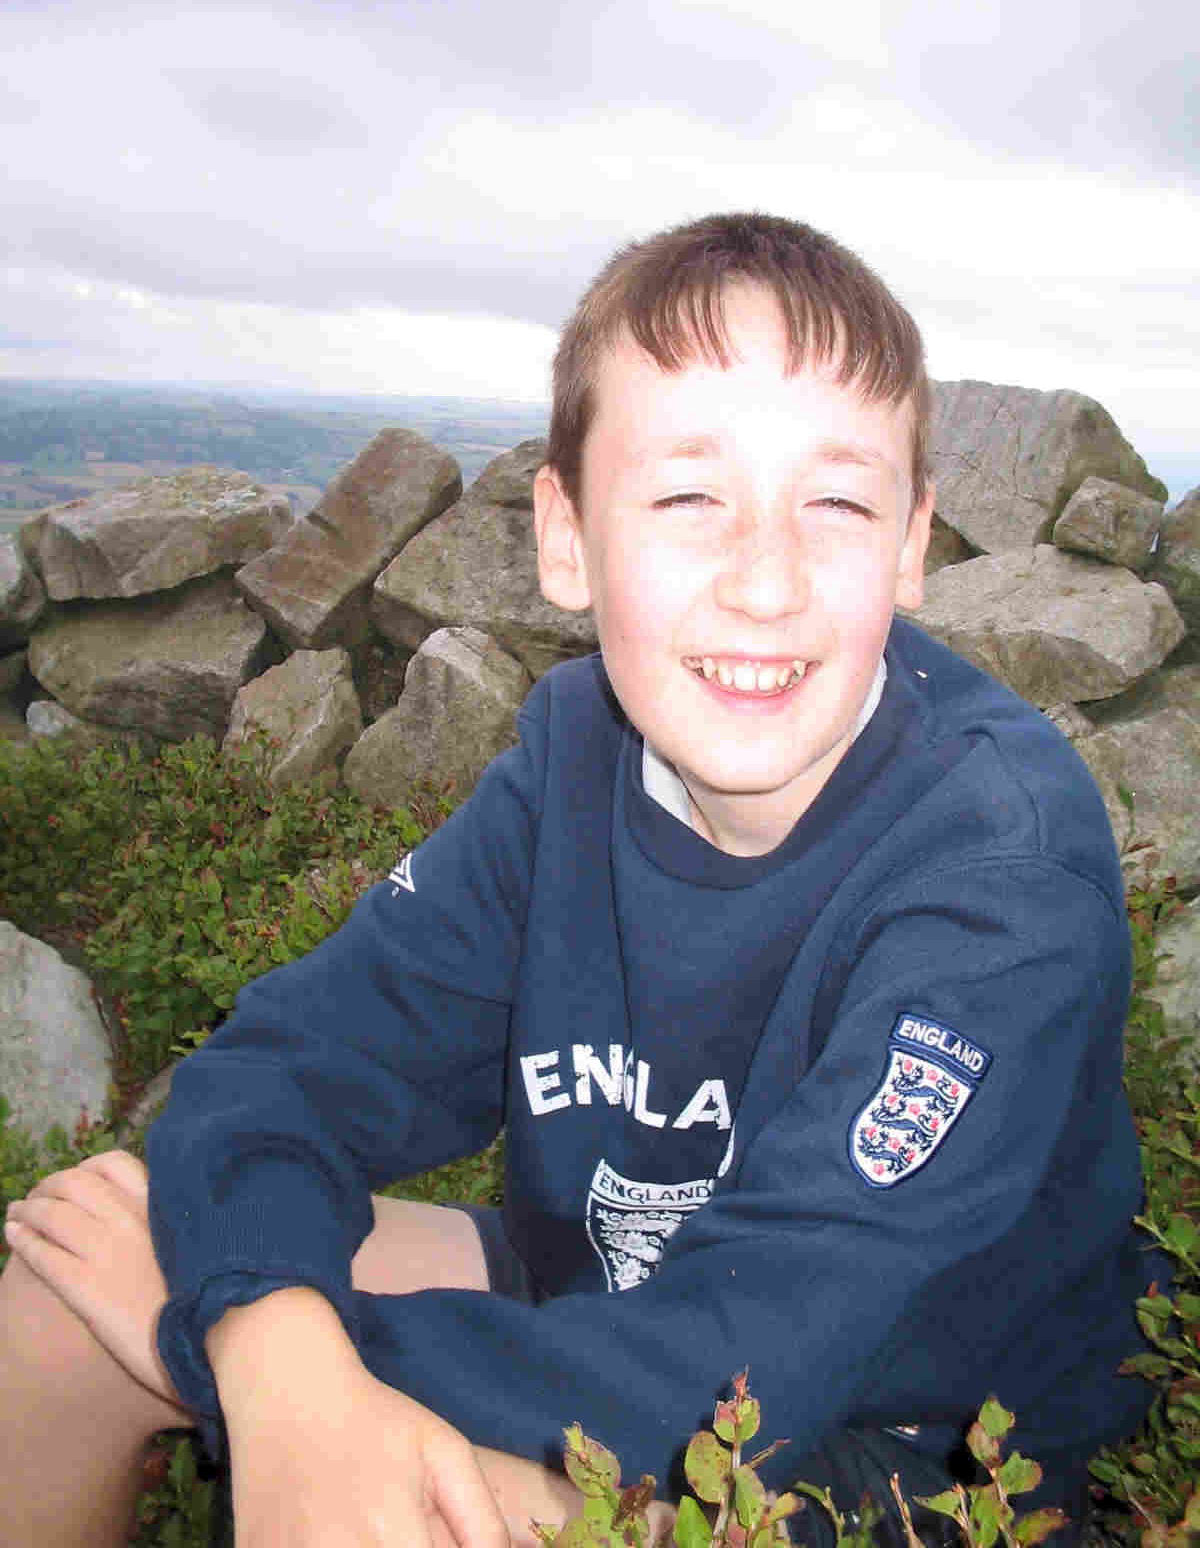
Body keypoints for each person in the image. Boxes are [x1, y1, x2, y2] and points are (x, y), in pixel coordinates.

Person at [1, 212, 1160, 1548]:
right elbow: (285, 1073)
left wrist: (239, 1359)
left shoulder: (1001, 879)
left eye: (836, 503)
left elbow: (749, 1367)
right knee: (61, 1298)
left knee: (394, 1506)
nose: (766, 581)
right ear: (566, 539)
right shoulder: (575, 760)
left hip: (904, 1453)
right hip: (617, 1300)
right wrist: (269, 1336)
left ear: (911, 547)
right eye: (685, 497)